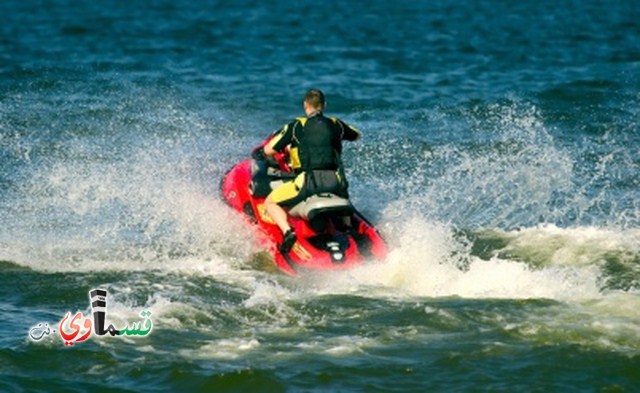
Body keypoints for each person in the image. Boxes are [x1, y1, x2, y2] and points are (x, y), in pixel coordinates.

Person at [257, 88, 360, 254]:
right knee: (342, 192)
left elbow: (269, 150)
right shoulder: (336, 124)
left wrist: (261, 152)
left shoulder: (297, 125)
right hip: (336, 182)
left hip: (308, 181)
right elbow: (356, 135)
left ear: (305, 105)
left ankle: (287, 232)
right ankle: (348, 229)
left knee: (270, 202)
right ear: (324, 105)